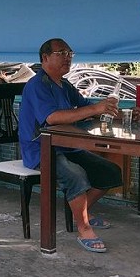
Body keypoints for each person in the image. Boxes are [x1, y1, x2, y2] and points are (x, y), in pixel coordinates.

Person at [19, 38, 122, 253]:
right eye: (61, 53)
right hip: (42, 150)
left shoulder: (64, 85)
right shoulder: (38, 85)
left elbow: (86, 107)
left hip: (67, 145)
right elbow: (53, 117)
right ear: (45, 58)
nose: (68, 57)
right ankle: (83, 228)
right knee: (76, 176)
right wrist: (95, 110)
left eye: (70, 52)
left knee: (110, 171)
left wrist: (110, 110)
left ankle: (82, 211)